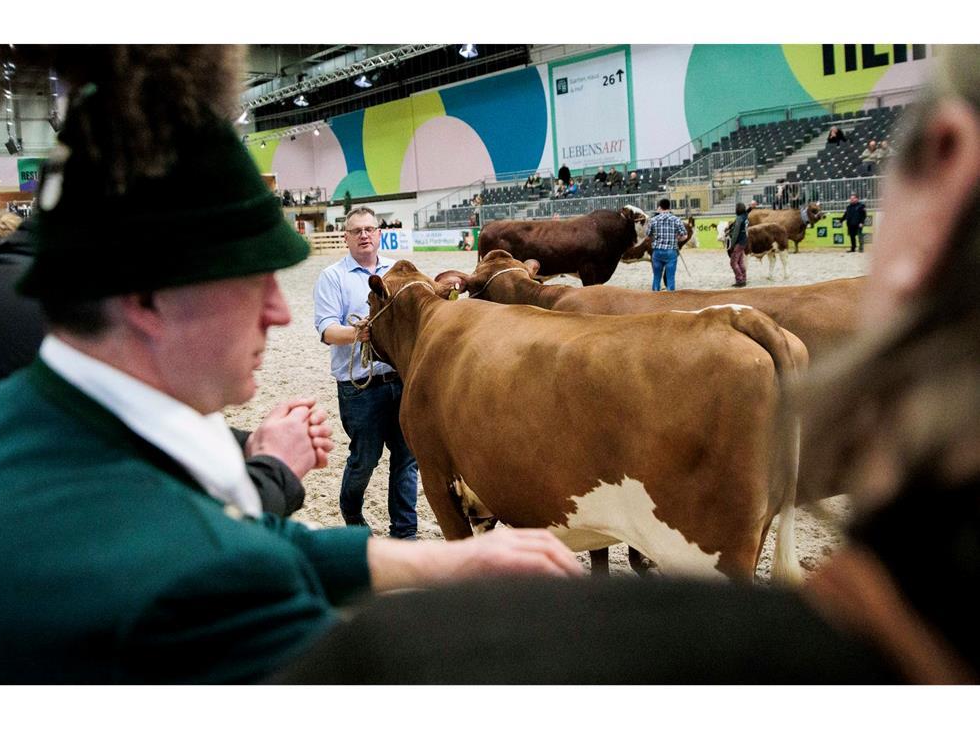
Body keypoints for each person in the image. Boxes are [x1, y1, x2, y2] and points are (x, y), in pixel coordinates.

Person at [279, 45, 980, 684]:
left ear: (949, 161)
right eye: (361, 229)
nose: (366, 236)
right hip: (364, 395)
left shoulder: (407, 655)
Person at [0, 47, 581, 685]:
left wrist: (450, 560)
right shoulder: (181, 573)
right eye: (248, 281)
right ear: (145, 296)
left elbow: (260, 542)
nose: (276, 313)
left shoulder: (28, 410)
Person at [314, 205, 420, 539]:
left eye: (369, 229)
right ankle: (351, 508)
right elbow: (327, 330)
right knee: (365, 458)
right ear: (346, 237)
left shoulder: (398, 272)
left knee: (406, 458)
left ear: (379, 234)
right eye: (356, 230)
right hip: (360, 384)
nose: (364, 235)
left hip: (401, 379)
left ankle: (405, 533)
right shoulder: (333, 277)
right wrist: (360, 333)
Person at [646, 197, 686, 291]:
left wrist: (655, 237)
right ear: (669, 207)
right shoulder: (676, 219)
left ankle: (655, 296)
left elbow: (648, 236)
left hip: (657, 251)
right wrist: (676, 238)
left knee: (656, 277)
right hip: (671, 251)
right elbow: (684, 236)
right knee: (670, 278)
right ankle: (670, 298)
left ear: (660, 207)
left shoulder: (653, 220)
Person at [726, 202, 748, 287]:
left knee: (733, 262)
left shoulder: (739, 218)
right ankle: (744, 278)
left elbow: (735, 233)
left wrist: (732, 245)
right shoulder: (745, 216)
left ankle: (740, 280)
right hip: (744, 241)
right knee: (740, 261)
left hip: (739, 242)